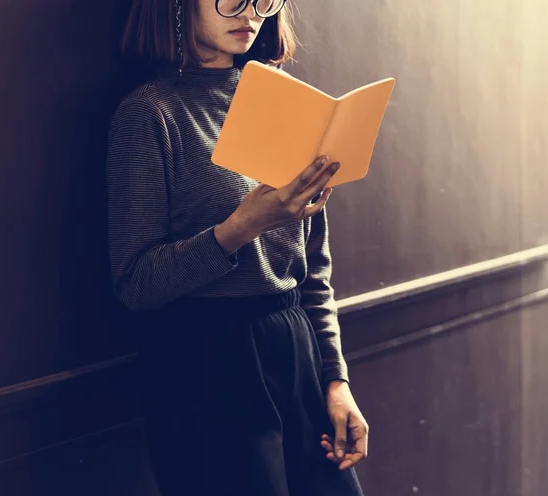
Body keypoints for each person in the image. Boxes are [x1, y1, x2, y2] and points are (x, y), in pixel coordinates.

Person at [106, 1, 369, 494]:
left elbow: (313, 270)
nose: (250, 12)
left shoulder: (288, 103)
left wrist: (336, 381)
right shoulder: (149, 113)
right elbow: (135, 284)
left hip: (294, 348)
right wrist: (240, 228)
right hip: (206, 362)